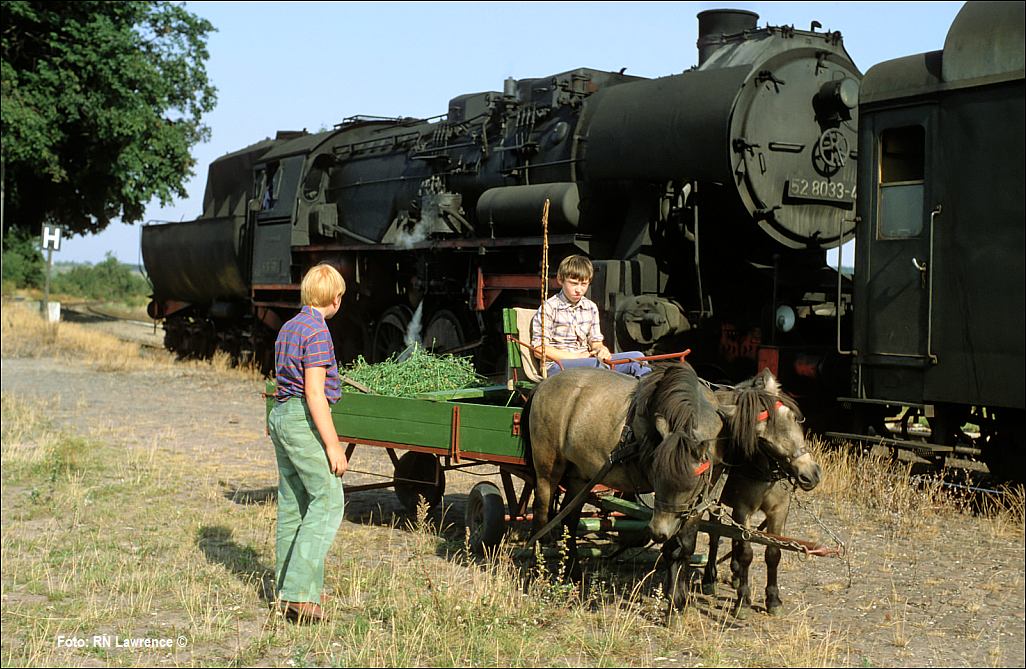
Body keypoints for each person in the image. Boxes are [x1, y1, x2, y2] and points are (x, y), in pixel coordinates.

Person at [268, 263, 348, 624]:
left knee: (294, 504)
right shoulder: (317, 332)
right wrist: (333, 444)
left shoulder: (288, 327)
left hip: (281, 413)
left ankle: (289, 588)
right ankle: (301, 593)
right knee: (330, 499)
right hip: (301, 417)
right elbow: (315, 394)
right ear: (335, 298)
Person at [530, 255, 650, 378]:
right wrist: (576, 357)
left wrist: (601, 349)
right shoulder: (549, 307)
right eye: (574, 283)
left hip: (588, 360)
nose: (579, 290)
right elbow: (540, 350)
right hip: (558, 365)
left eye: (584, 284)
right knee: (597, 365)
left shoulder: (590, 307)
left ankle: (645, 394)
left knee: (637, 358)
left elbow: (595, 342)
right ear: (560, 280)